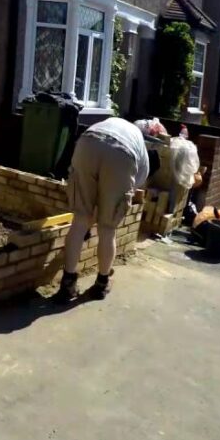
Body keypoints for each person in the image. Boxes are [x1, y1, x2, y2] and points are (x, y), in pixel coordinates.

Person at [54, 117, 158, 302]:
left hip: (87, 143)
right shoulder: (141, 150)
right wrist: (107, 211)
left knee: (79, 221)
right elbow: (133, 186)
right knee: (107, 228)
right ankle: (102, 283)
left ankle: (67, 284)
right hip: (121, 155)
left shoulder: (113, 122)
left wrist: (87, 217)